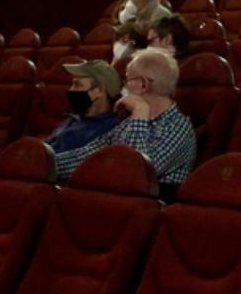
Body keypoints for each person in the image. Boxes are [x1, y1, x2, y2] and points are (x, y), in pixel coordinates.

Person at [54, 48, 197, 194]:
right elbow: (87, 156)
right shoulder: (129, 122)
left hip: (147, 204)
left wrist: (140, 111)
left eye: (127, 80)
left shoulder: (179, 128)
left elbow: (133, 172)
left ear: (143, 84)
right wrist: (46, 164)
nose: (125, 87)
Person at [45, 60, 122, 153]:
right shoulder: (76, 118)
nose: (71, 89)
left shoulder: (107, 130)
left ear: (99, 91)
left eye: (78, 85)